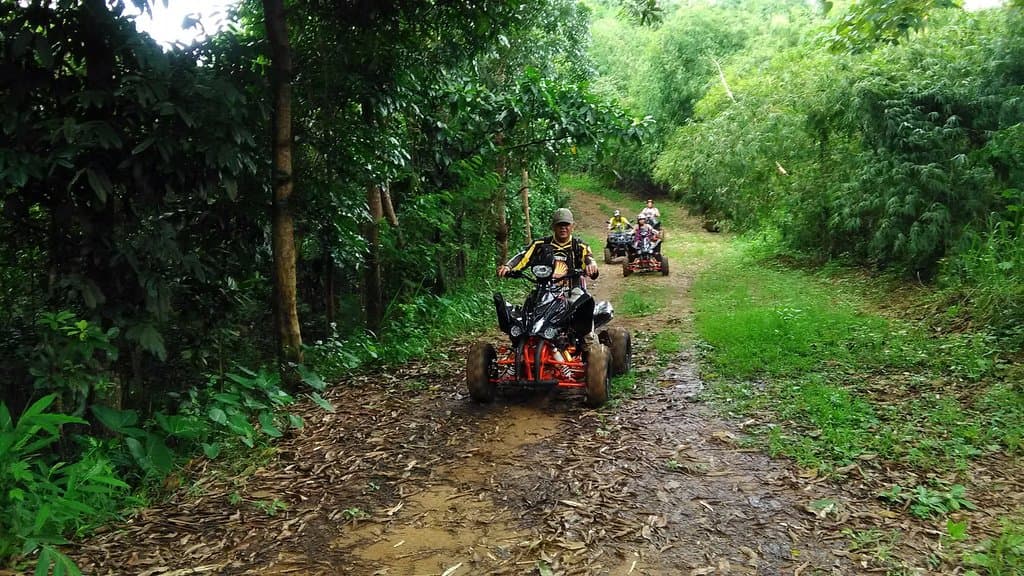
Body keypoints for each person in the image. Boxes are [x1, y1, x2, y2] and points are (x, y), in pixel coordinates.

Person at [498, 208, 599, 297]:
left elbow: (588, 258)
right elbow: (524, 257)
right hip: (544, 289)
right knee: (529, 308)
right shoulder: (540, 244)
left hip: (572, 289)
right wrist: (509, 266)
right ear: (553, 226)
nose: (563, 228)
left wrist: (591, 265)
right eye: (559, 224)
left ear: (573, 226)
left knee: (581, 306)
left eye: (566, 224)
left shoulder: (579, 246)